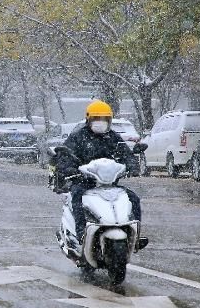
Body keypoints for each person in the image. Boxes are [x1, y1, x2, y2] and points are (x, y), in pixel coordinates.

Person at [54, 100, 147, 251]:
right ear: (88, 120)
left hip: (110, 183)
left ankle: (134, 236)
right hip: (84, 182)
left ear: (109, 121)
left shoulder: (113, 137)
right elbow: (65, 156)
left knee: (134, 198)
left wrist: (133, 166)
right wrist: (69, 169)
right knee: (77, 196)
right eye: (96, 119)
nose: (100, 123)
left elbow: (126, 154)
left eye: (104, 119)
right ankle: (81, 233)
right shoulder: (78, 137)